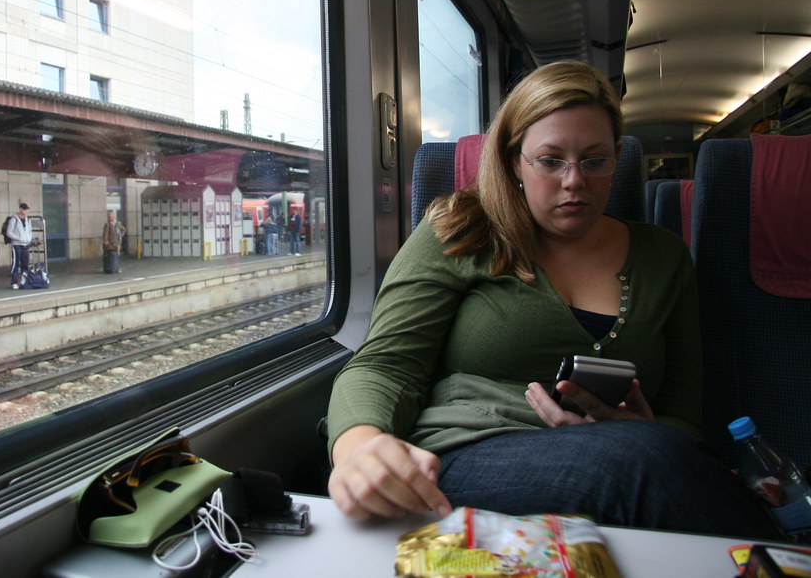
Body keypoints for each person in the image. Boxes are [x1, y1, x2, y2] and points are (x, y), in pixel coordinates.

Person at [325, 61, 781, 540]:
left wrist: (635, 426)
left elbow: (685, 420)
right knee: (648, 462)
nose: (574, 181)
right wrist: (360, 446)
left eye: (595, 159)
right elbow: (384, 366)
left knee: (655, 458)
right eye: (550, 160)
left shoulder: (663, 258)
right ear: (514, 160)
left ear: (617, 158)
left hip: (637, 458)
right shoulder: (460, 230)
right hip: (464, 454)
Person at [5, 202, 33, 290]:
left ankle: (23, 281)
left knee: (25, 264)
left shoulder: (27, 220)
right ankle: (14, 282)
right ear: (20, 209)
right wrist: (18, 238)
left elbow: (29, 231)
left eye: (26, 209)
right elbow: (9, 232)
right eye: (24, 209)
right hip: (17, 244)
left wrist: (29, 239)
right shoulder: (14, 219)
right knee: (16, 264)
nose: (26, 211)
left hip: (26, 244)